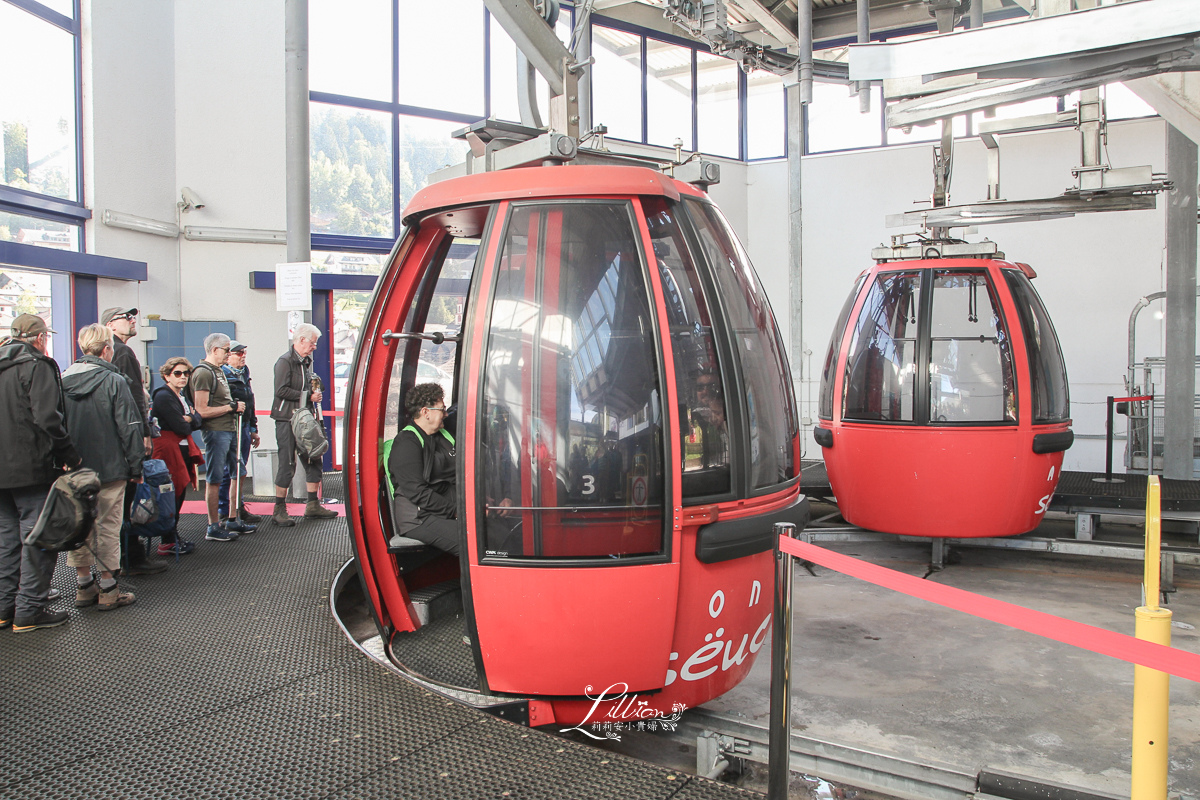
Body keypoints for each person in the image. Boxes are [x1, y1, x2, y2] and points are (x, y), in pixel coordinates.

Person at [0, 314, 82, 633]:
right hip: (31, 468)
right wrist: (69, 455)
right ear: (40, 338)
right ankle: (29, 610)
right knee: (38, 539)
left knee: (7, 541)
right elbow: (48, 418)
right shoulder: (38, 365)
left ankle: (5, 608)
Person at [61, 324, 142, 611]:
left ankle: (84, 586)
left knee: (79, 525)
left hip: (73, 471)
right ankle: (108, 588)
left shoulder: (61, 380)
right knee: (108, 525)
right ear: (107, 349)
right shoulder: (115, 381)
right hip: (110, 468)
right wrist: (136, 466)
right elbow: (130, 427)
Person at [101, 306, 165, 575]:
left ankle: (122, 556)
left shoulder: (105, 355)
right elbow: (132, 397)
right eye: (125, 318)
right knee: (129, 495)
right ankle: (131, 556)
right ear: (110, 326)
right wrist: (144, 432)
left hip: (107, 436)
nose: (131, 321)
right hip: (128, 434)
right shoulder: (123, 352)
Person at [270, 323, 337, 525]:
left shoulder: (305, 362)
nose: (314, 347)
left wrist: (312, 390)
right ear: (301, 340)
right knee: (287, 463)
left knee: (314, 458)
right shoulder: (284, 362)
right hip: (287, 419)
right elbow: (280, 390)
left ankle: (312, 504)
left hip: (304, 418)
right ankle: (279, 509)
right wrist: (308, 395)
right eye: (313, 342)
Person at [386, 383, 459, 554]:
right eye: (442, 409)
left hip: (449, 509)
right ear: (426, 412)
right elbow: (417, 492)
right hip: (421, 518)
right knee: (473, 542)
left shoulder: (444, 436)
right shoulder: (407, 442)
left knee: (496, 532)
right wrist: (456, 512)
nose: (447, 414)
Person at [190, 333, 247, 542]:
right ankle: (213, 526)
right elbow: (201, 410)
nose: (228, 354)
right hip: (216, 431)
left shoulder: (218, 371)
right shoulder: (204, 373)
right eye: (226, 350)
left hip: (229, 429)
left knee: (238, 471)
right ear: (215, 350)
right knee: (215, 478)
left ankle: (232, 517)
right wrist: (230, 407)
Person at [151, 357, 204, 556]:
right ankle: (167, 539)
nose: (183, 377)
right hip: (168, 450)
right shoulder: (164, 396)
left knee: (179, 492)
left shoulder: (181, 396)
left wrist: (191, 417)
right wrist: (192, 419)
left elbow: (197, 419)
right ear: (167, 376)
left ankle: (171, 536)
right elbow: (182, 425)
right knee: (170, 493)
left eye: (186, 373)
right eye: (178, 373)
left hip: (180, 447)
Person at [217, 340, 260, 530]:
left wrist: (252, 428)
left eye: (244, 352)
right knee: (230, 471)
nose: (243, 356)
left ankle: (238, 507)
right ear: (228, 356)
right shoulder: (222, 376)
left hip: (244, 426)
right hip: (230, 427)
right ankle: (225, 511)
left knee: (240, 470)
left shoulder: (244, 373)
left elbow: (249, 400)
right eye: (238, 353)